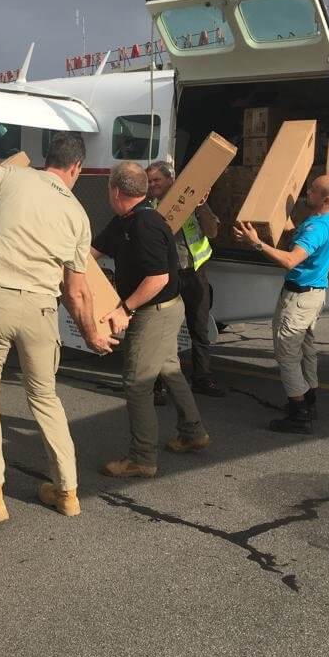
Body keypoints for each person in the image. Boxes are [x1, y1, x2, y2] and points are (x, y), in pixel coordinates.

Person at [0, 133, 117, 523]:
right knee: (45, 398)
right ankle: (68, 491)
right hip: (40, 308)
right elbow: (76, 291)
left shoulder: (9, 177)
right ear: (76, 168)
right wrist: (91, 335)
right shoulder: (77, 213)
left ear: (45, 158)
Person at [93, 161, 209, 479]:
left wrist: (123, 309)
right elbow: (91, 252)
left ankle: (142, 458)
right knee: (169, 369)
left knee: (136, 383)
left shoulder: (145, 225)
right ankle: (193, 432)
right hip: (163, 310)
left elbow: (157, 278)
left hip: (154, 313)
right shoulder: (124, 221)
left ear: (115, 191)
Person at [233, 174, 329, 434]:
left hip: (298, 299)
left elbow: (291, 260)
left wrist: (257, 244)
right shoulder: (328, 220)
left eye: (314, 190)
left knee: (287, 356)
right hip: (314, 295)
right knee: (306, 349)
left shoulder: (316, 228)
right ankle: (310, 399)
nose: (308, 191)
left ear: (326, 199)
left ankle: (299, 413)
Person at [145, 160, 225, 398]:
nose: (152, 185)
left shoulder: (192, 202)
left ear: (171, 180)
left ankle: (202, 377)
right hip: (168, 275)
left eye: (156, 180)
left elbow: (213, 231)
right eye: (149, 181)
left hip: (195, 273)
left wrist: (201, 207)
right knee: (163, 331)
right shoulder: (149, 207)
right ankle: (157, 383)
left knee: (199, 327)